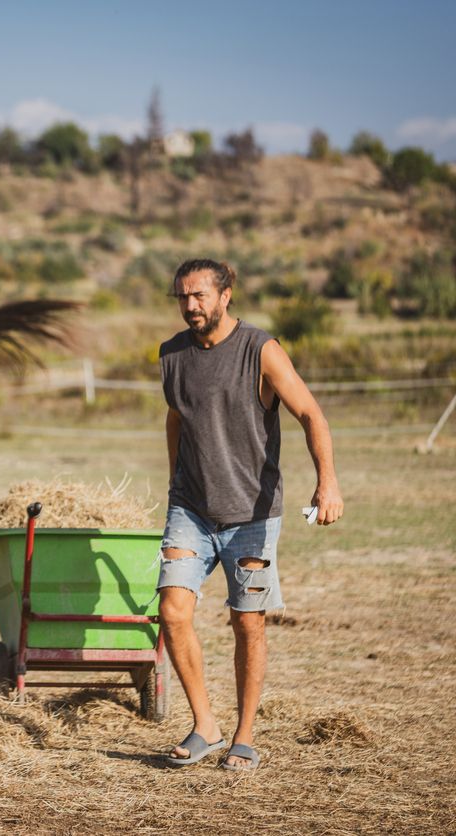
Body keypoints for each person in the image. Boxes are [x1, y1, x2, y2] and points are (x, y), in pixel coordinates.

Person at [157, 258, 343, 770]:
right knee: (172, 612)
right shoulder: (172, 354)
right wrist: (175, 480)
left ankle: (243, 735)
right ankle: (206, 726)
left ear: (225, 295)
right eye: (182, 296)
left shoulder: (260, 350)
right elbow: (176, 416)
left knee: (247, 623)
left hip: (252, 514)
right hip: (190, 508)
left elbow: (310, 413)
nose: (190, 305)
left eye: (199, 295)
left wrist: (327, 481)